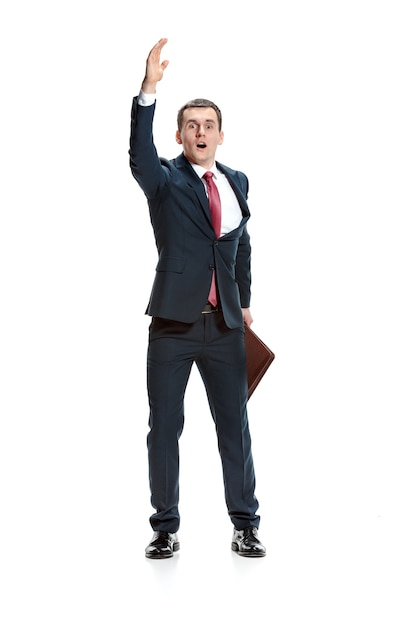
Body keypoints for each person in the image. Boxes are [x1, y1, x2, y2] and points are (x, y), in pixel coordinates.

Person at [129, 38, 266, 559]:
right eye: (192, 125)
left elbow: (241, 242)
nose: (201, 132)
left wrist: (245, 301)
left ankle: (246, 524)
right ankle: (165, 527)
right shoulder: (163, 179)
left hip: (226, 328)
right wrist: (148, 90)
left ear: (221, 134)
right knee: (164, 428)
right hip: (173, 326)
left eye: (209, 125)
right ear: (180, 134)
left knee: (235, 428)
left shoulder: (236, 181)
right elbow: (139, 154)